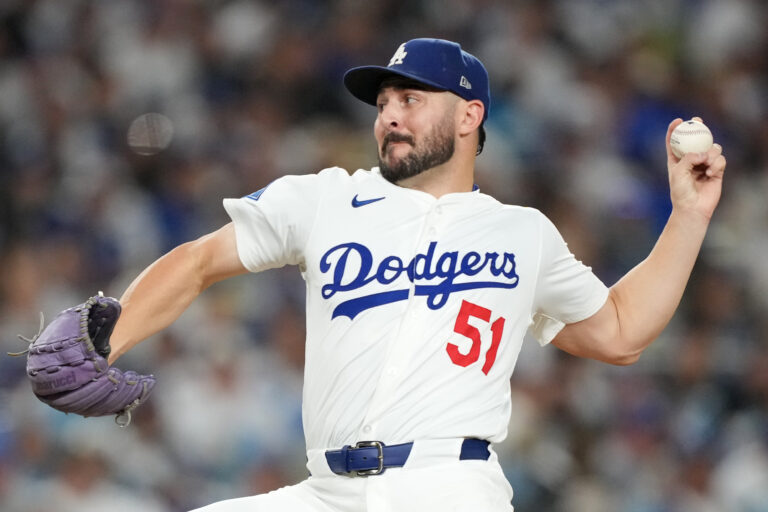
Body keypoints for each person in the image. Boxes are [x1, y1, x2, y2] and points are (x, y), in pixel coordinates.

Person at [104, 38, 724, 510]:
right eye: (383, 104)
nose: (389, 116)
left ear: (468, 116)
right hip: (327, 490)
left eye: (410, 99)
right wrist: (101, 341)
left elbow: (619, 332)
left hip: (447, 485)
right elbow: (196, 261)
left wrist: (689, 218)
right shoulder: (325, 199)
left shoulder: (520, 232)